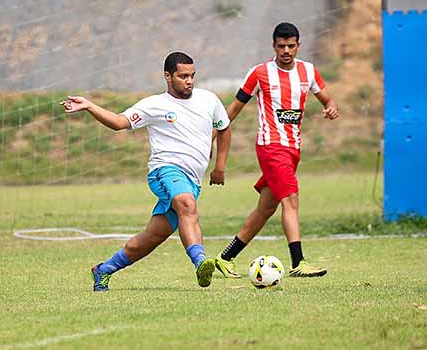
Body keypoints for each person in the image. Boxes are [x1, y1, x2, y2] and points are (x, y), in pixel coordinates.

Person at [62, 52, 231, 291]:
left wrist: (220, 167)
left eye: (192, 76)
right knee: (186, 205)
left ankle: (103, 270)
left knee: (153, 237)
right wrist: (90, 106)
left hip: (192, 180)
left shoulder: (209, 100)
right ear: (167, 76)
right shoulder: (155, 104)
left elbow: (224, 128)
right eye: (183, 76)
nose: (190, 81)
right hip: (165, 171)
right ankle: (201, 262)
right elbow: (119, 122)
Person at [213, 22, 340, 279]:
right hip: (271, 146)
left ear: (298, 46)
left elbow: (327, 99)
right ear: (273, 46)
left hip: (293, 149)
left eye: (291, 46)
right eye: (281, 46)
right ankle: (298, 262)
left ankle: (225, 258)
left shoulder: (309, 71)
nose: (286, 51)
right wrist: (211, 136)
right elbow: (233, 110)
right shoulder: (259, 73)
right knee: (290, 200)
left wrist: (331, 108)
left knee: (266, 208)